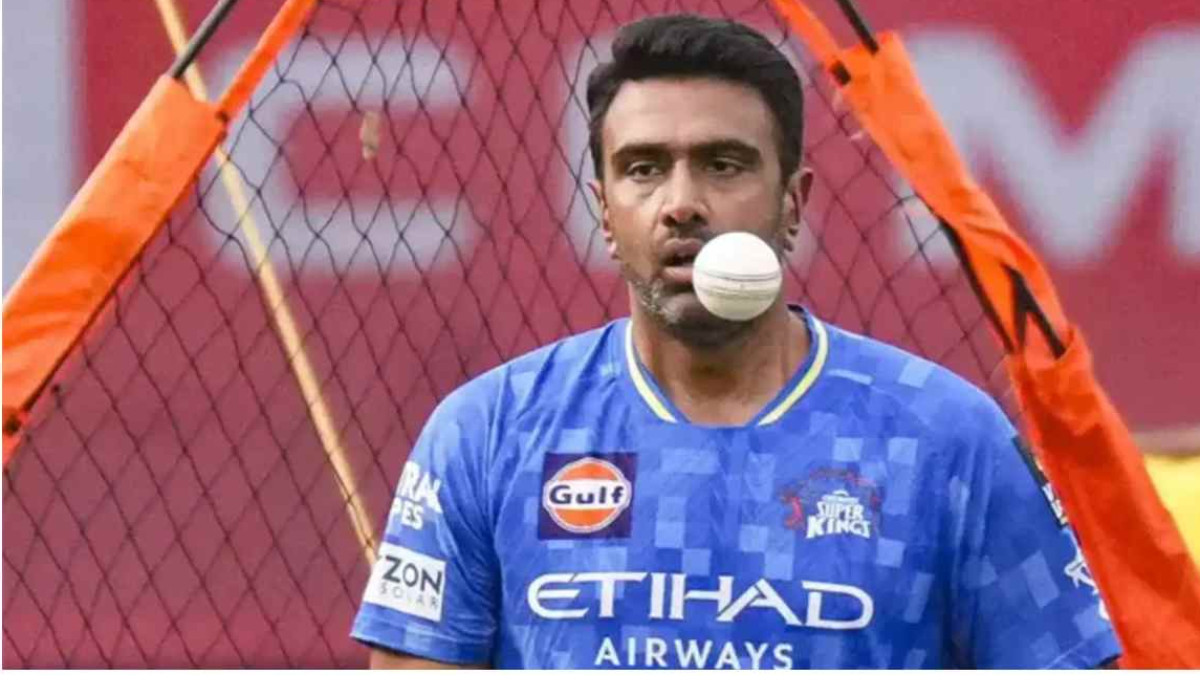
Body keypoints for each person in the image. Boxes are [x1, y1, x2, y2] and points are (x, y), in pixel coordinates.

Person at [350, 13, 1121, 669]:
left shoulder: (950, 439)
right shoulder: (488, 432)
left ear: (794, 203)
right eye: (643, 168)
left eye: (723, 165)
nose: (682, 203)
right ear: (605, 213)